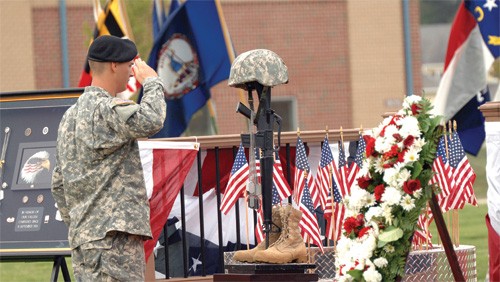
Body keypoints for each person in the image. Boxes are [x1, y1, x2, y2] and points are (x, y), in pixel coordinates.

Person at [51, 35, 167, 281]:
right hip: (113, 241)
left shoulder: (69, 117)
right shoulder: (107, 109)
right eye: (129, 66)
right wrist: (153, 82)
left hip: (86, 241)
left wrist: (82, 225)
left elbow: (58, 183)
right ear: (114, 65)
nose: (131, 73)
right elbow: (152, 119)